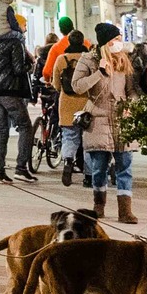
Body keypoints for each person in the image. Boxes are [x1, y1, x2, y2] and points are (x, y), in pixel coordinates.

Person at [72, 24, 139, 224]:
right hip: (98, 120)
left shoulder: (124, 59)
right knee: (99, 167)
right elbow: (77, 86)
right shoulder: (88, 60)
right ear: (105, 43)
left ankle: (125, 210)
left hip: (122, 120)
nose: (118, 43)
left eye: (119, 39)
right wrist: (100, 73)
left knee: (124, 167)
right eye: (114, 39)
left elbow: (132, 90)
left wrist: (131, 106)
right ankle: (98, 205)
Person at [0, 8, 36, 184]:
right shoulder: (14, 43)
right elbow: (19, 69)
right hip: (10, 91)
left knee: (1, 130)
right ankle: (21, 168)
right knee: (26, 126)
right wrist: (30, 66)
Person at [53, 30, 89, 187]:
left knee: (69, 136)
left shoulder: (61, 59)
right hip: (86, 103)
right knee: (87, 140)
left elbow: (56, 84)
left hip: (66, 103)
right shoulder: (88, 59)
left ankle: (68, 161)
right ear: (83, 42)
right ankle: (88, 175)